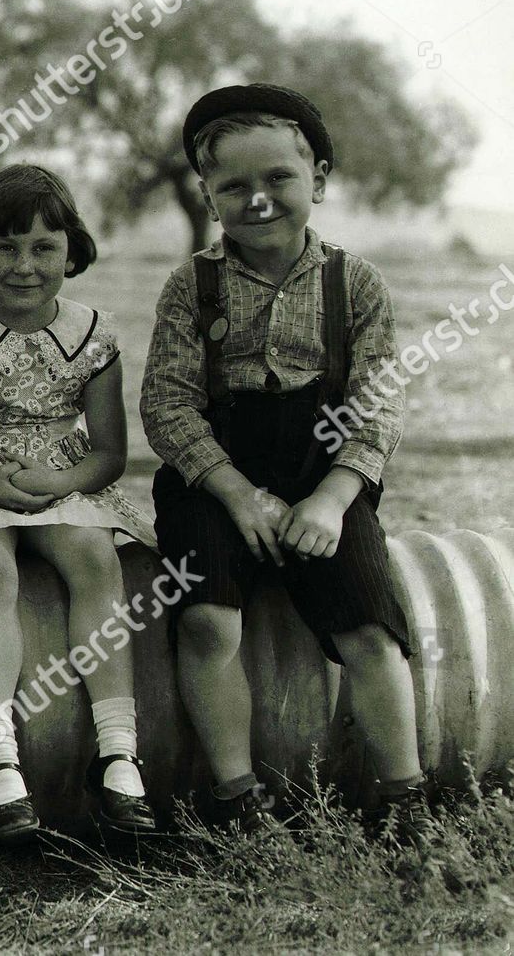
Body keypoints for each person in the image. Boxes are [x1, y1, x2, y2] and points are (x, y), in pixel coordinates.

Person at [140, 83, 427, 839]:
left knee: (371, 629)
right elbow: (167, 406)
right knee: (206, 621)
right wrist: (237, 495)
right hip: (216, 480)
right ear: (207, 196)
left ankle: (404, 799)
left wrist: (333, 499)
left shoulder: (355, 284)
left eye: (279, 179)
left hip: (320, 477)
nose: (257, 198)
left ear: (319, 181)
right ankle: (238, 800)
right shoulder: (190, 285)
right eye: (234, 185)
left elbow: (380, 403)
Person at [0, 163, 158, 842]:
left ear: (71, 252)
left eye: (44, 248)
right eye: (4, 247)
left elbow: (109, 451)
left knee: (93, 556)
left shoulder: (94, 334)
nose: (24, 266)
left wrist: (60, 483)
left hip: (61, 473)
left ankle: (118, 752)